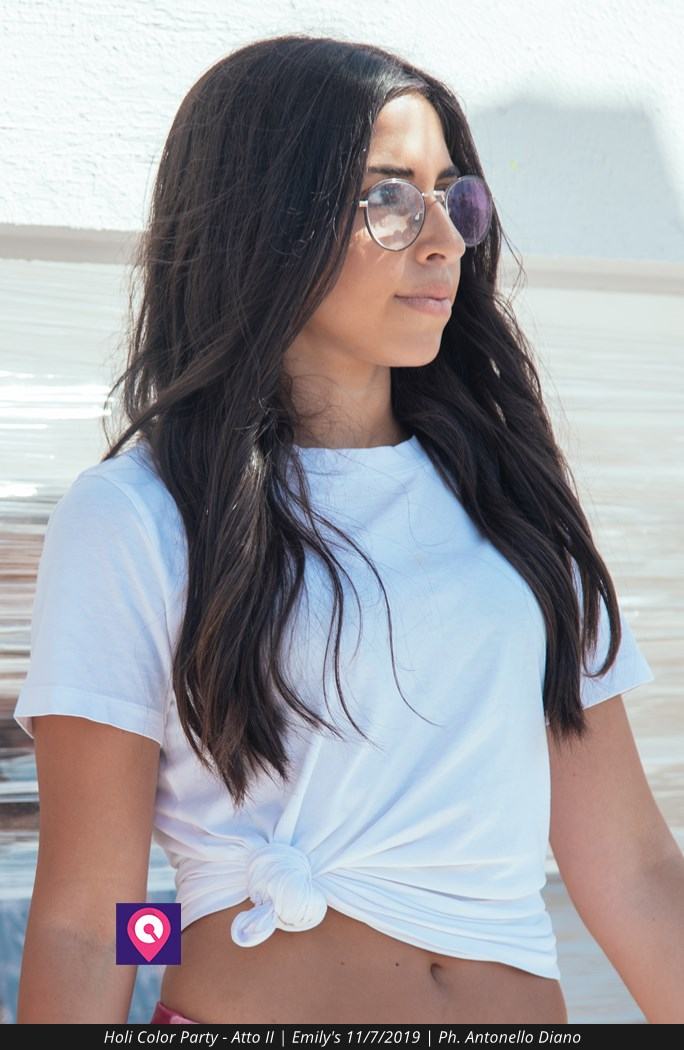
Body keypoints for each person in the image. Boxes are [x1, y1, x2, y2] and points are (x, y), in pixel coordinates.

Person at [13, 34, 683, 1025]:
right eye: (390, 198)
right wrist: (164, 939)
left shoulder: (518, 504)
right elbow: (93, 916)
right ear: (265, 220)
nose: (444, 239)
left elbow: (636, 873)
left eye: (453, 197)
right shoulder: (139, 515)